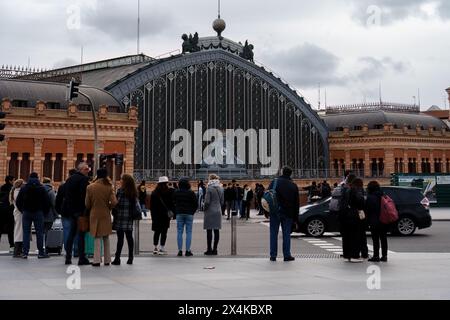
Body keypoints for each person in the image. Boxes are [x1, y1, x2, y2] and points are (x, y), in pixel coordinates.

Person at [85, 169, 118, 267]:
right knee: (106, 237)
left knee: (97, 237)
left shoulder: (90, 187)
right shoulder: (109, 187)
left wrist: (92, 207)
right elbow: (114, 202)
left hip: (94, 214)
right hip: (105, 214)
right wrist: (109, 207)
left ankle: (97, 260)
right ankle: (107, 260)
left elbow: (87, 204)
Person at [15, 173, 51, 259]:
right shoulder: (41, 188)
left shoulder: (24, 188)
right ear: (37, 178)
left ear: (29, 178)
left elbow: (18, 201)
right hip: (38, 212)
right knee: (39, 233)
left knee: (26, 233)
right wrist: (44, 212)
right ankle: (41, 253)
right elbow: (47, 202)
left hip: (26, 212)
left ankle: (25, 253)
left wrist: (22, 210)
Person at [268, 166, 299, 262]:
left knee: (273, 234)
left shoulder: (275, 182)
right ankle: (287, 255)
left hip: (275, 212)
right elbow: (296, 203)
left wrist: (266, 211)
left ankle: (273, 255)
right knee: (286, 235)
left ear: (282, 172)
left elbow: (268, 196)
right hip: (288, 213)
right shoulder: (293, 185)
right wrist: (295, 218)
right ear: (290, 174)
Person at [62, 163, 91, 265]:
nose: (88, 171)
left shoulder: (70, 180)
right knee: (81, 235)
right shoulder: (83, 180)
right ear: (81, 170)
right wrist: (85, 210)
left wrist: (71, 210)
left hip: (71, 211)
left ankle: (68, 257)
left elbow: (67, 196)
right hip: (80, 211)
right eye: (87, 169)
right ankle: (81, 258)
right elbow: (84, 196)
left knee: (71, 234)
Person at [112, 174, 138, 265]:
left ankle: (117, 258)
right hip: (129, 217)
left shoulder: (120, 191)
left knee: (120, 239)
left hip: (120, 217)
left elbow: (116, 203)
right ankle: (130, 257)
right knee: (129, 238)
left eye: (121, 179)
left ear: (125, 181)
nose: (120, 181)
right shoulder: (133, 192)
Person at [341, 177, 366, 263]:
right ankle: (355, 256)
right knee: (356, 236)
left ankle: (347, 255)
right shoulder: (357, 190)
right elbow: (360, 201)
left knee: (348, 237)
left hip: (347, 216)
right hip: (355, 215)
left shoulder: (347, 190)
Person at [55, 169, 78, 259]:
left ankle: (68, 251)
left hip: (65, 212)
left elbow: (58, 200)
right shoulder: (79, 185)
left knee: (67, 232)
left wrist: (59, 211)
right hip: (76, 212)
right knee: (76, 232)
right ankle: (76, 251)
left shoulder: (63, 186)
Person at [150, 176, 175, 255]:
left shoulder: (154, 193)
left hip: (156, 216)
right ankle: (162, 248)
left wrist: (153, 217)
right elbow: (172, 204)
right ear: (166, 183)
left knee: (156, 232)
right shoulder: (169, 192)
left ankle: (155, 248)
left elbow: (152, 206)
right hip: (165, 216)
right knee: (164, 232)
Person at [174, 178, 198, 257]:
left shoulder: (176, 192)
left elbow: (173, 202)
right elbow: (195, 204)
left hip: (179, 213)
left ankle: (180, 250)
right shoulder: (191, 193)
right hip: (189, 213)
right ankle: (188, 250)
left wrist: (176, 210)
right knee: (189, 232)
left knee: (179, 232)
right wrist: (192, 212)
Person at [365, 181, 389, 262]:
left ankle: (376, 256)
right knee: (383, 238)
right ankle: (384, 256)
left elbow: (368, 210)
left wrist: (367, 221)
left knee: (375, 239)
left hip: (374, 220)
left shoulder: (370, 197)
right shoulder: (383, 195)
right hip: (384, 219)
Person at [203, 174, 224, 255]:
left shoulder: (209, 188)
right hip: (218, 210)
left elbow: (207, 201)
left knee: (209, 231)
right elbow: (222, 201)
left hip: (209, 211)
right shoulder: (221, 188)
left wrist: (204, 208)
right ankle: (215, 249)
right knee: (216, 231)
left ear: (210, 179)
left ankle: (209, 249)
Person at [9, 179, 24, 258]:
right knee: (19, 231)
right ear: (20, 184)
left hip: (17, 212)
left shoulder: (15, 191)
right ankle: (17, 251)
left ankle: (18, 251)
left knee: (19, 231)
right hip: (19, 213)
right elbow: (19, 204)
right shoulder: (18, 192)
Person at [0, 175, 15, 253]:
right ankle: (12, 246)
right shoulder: (12, 189)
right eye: (13, 180)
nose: (14, 182)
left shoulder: (1, 188)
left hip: (1, 212)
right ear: (10, 181)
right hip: (9, 212)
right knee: (10, 230)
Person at [42, 178, 58, 252]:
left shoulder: (39, 190)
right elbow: (54, 204)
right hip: (49, 214)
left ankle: (40, 247)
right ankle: (46, 247)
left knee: (40, 232)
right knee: (47, 232)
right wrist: (56, 214)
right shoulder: (51, 191)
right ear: (50, 182)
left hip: (40, 214)